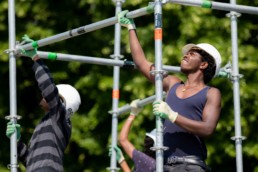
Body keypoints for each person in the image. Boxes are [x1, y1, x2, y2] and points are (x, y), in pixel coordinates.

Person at [118, 10, 222, 172]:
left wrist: (173, 116)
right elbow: (141, 63)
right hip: (165, 165)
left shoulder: (211, 93)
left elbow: (207, 128)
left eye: (192, 53)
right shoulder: (173, 83)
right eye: (187, 53)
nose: (186, 55)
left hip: (191, 166)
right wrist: (131, 28)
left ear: (204, 64)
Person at [6, 35, 81, 172]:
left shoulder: (59, 117)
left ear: (62, 101)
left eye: (55, 96)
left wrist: (36, 58)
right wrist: (17, 142)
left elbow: (48, 87)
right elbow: (30, 161)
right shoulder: (47, 124)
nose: (44, 95)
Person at [109, 99, 156, 172]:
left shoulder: (149, 163)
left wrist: (133, 114)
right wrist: (122, 161)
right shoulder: (163, 164)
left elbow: (122, 139)